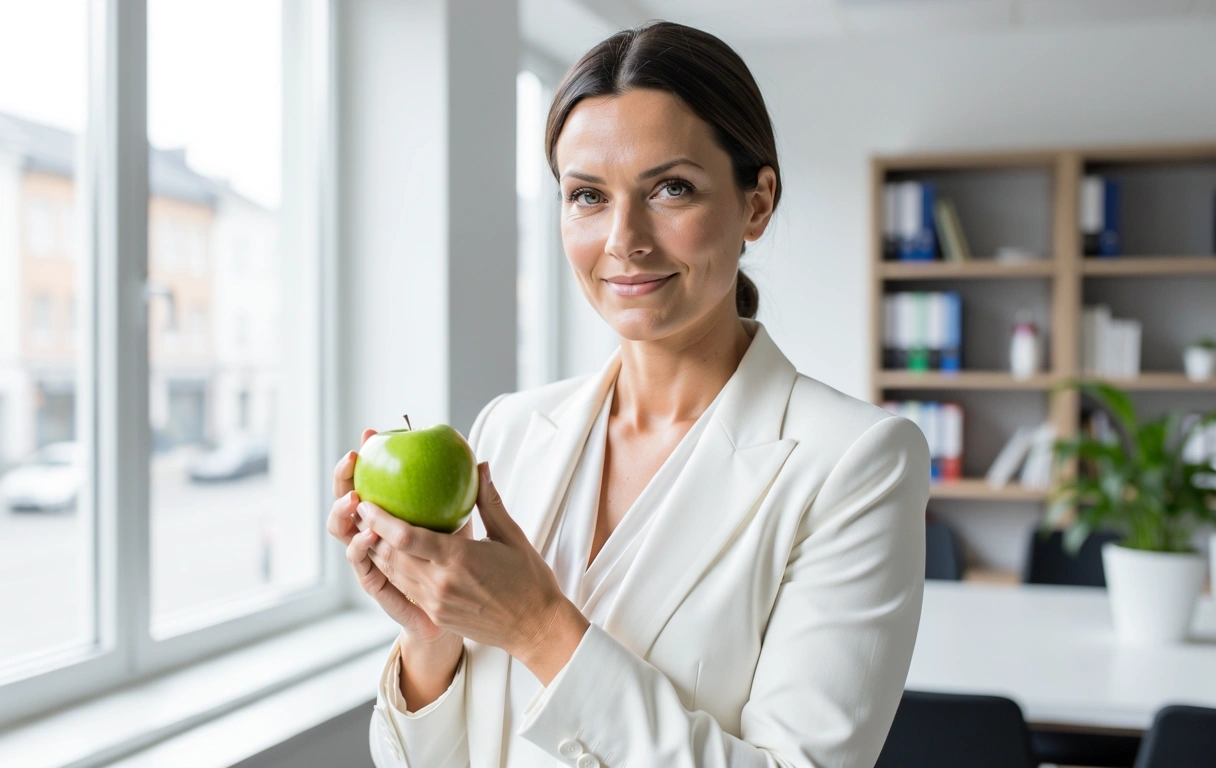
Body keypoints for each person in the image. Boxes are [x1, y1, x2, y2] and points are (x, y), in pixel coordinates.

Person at [328, 20, 929, 768]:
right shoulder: (509, 430)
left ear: (756, 203)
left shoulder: (856, 464)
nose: (624, 239)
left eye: (671, 188)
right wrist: (431, 631)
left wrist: (539, 628)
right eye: (587, 195)